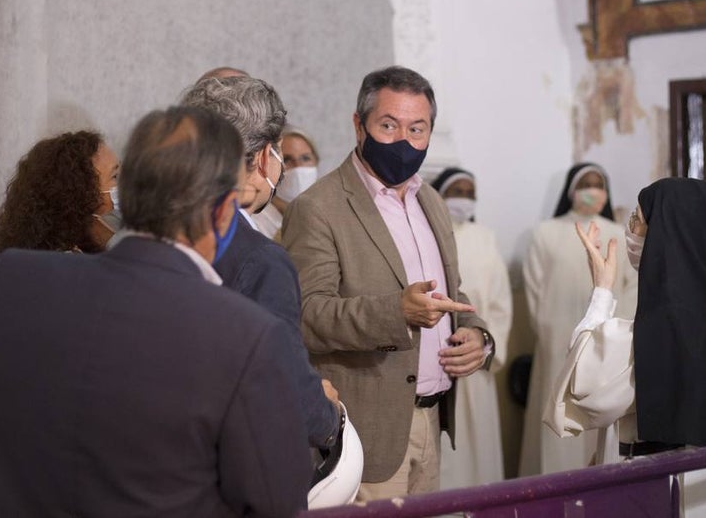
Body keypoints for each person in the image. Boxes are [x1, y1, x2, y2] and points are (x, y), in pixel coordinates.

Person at [0, 107, 312, 517]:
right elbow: (277, 501)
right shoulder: (249, 335)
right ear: (222, 214)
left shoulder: (21, 280)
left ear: (127, 196)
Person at [283, 66, 492, 501]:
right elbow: (307, 315)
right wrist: (395, 313)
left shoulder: (429, 199)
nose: (403, 141)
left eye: (417, 129)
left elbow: (451, 293)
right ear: (359, 126)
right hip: (368, 430)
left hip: (432, 421)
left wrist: (475, 333)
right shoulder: (318, 207)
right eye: (388, 125)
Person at [547, 178, 706, 516]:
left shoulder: (662, 328)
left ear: (667, 232)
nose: (630, 228)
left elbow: (584, 387)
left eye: (638, 218)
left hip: (672, 490)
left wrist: (601, 291)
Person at [179, 77, 342, 451]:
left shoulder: (161, 229)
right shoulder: (260, 258)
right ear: (266, 156)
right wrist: (329, 415)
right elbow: (285, 389)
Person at [518, 163, 637, 477]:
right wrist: (549, 331)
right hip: (557, 341)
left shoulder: (617, 233)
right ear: (571, 189)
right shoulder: (545, 232)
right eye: (586, 183)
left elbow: (628, 286)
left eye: (599, 184)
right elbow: (534, 288)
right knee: (558, 418)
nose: (593, 190)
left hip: (607, 344)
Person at [431, 167, 512, 488]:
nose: (463, 199)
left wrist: (485, 345)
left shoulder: (485, 238)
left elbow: (500, 304)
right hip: (436, 356)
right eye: (456, 191)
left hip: (476, 361)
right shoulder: (429, 234)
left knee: (477, 450)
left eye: (469, 193)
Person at [0, 130, 120, 254]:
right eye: (114, 177)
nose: (126, 186)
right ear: (79, 196)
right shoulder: (68, 268)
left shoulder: (95, 240)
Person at [254, 126, 320, 240]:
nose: (298, 166)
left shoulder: (327, 215)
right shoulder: (256, 222)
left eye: (305, 158)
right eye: (287, 160)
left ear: (316, 162)